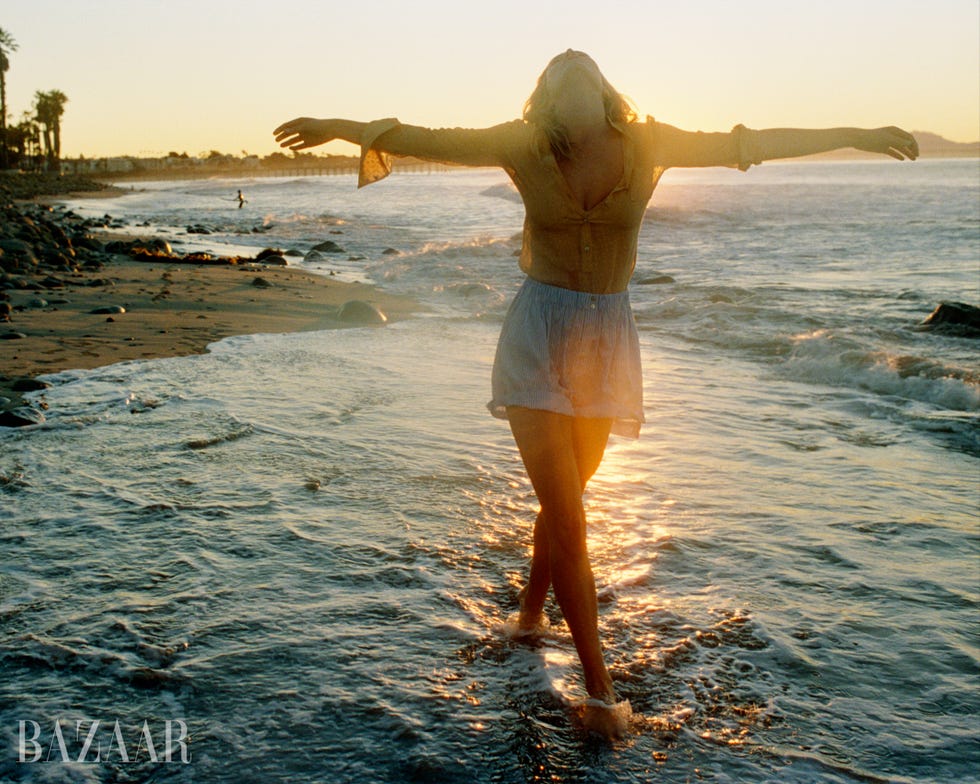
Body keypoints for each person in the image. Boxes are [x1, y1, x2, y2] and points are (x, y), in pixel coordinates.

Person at [273, 50, 917, 739]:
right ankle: (602, 695)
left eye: (584, 65)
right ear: (543, 97)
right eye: (559, 68)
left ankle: (525, 622)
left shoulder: (648, 141)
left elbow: (750, 143)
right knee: (571, 517)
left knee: (565, 504)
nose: (573, 66)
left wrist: (858, 132)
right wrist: (336, 124)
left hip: (606, 342)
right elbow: (418, 137)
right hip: (538, 335)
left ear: (606, 90)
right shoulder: (519, 143)